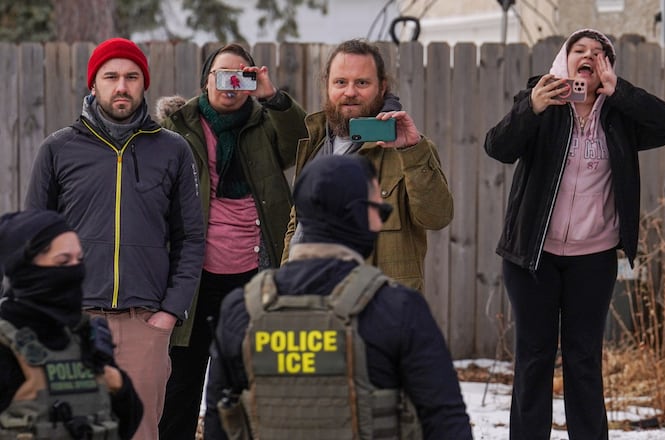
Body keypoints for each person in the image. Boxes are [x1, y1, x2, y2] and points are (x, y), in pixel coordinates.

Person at [484, 28, 665, 439]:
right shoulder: (542, 101)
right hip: (533, 257)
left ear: (606, 66)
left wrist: (620, 91)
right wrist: (532, 108)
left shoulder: (620, 115)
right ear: (565, 59)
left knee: (583, 360)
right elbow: (498, 147)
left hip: (593, 258)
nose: (588, 56)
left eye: (598, 53)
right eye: (580, 50)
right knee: (534, 358)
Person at [204, 154, 472, 439]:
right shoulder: (397, 308)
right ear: (357, 214)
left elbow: (218, 424)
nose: (380, 222)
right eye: (377, 209)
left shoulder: (241, 309)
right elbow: (445, 421)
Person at [25, 37, 205, 440]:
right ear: (94, 85)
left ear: (144, 83)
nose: (121, 86)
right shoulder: (58, 149)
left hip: (145, 323)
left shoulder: (173, 151)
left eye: (131, 77)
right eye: (111, 77)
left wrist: (170, 313)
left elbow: (191, 238)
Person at [157, 43, 308, 439]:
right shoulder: (179, 125)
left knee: (237, 383)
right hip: (193, 275)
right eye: (221, 75)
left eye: (240, 76)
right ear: (205, 80)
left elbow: (302, 144)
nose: (230, 84)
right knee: (182, 380)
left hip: (253, 274)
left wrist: (273, 97)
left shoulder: (265, 122)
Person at [282, 38, 453, 292]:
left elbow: (437, 217)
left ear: (382, 87)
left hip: (379, 307)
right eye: (341, 82)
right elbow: (297, 226)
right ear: (327, 86)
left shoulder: (407, 148)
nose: (350, 92)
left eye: (362, 82)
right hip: (313, 299)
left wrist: (412, 150)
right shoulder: (313, 145)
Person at [0, 209, 143, 439]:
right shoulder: (6, 342)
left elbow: (125, 426)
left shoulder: (82, 333)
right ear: (26, 267)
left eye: (79, 260)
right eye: (63, 261)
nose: (75, 270)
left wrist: (117, 384)